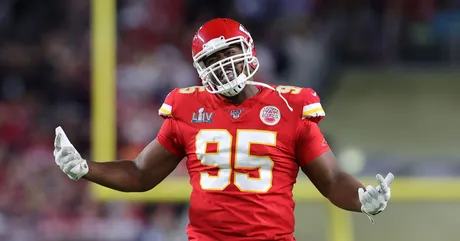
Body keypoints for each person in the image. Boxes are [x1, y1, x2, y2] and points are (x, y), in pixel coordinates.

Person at [53, 18, 394, 241]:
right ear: (199, 68)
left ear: (248, 51)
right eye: (211, 60)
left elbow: (332, 180)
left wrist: (362, 199)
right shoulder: (186, 107)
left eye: (229, 52)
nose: (223, 65)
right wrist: (86, 169)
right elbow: (141, 173)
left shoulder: (291, 106)